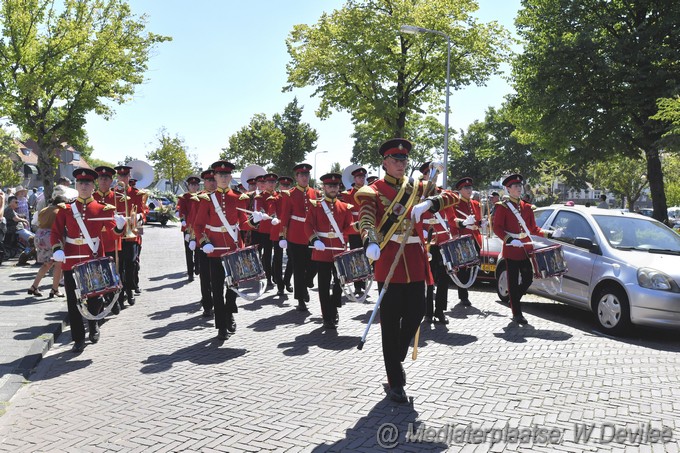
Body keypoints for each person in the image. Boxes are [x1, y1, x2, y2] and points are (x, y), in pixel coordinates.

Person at [355, 138, 458, 403]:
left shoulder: (419, 188)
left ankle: (396, 356)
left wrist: (430, 204)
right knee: (390, 324)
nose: (401, 165)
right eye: (395, 161)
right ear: (385, 163)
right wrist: (370, 241)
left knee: (417, 313)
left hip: (414, 259)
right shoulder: (372, 190)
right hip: (389, 259)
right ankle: (395, 381)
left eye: (404, 161)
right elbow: (365, 219)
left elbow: (451, 196)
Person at [51, 168, 126, 352]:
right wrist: (57, 249)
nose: (84, 186)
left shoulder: (101, 208)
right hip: (70, 260)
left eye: (87, 183)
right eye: (80, 183)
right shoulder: (66, 209)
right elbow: (55, 233)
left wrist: (120, 226)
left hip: (92, 259)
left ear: (93, 186)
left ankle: (93, 326)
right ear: (76, 185)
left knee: (94, 298)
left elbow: (113, 233)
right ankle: (78, 338)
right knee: (73, 300)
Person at [193, 160, 262, 340]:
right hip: (214, 249)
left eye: (226, 175)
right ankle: (221, 326)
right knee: (216, 288)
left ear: (231, 177)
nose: (223, 178)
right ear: (215, 177)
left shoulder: (238, 198)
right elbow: (198, 225)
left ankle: (229, 312)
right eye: (220, 175)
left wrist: (254, 220)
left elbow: (243, 223)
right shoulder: (207, 199)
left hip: (233, 248)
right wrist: (203, 241)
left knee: (233, 287)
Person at [492, 174, 558, 325]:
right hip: (511, 248)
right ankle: (517, 313)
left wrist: (550, 233)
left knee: (528, 279)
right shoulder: (502, 207)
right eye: (515, 186)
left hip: (525, 249)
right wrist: (509, 239)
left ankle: (513, 300)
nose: (519, 189)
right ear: (508, 189)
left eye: (520, 186)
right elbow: (497, 228)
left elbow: (533, 229)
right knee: (513, 282)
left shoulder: (527, 207)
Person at [305, 173, 356, 329]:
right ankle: (327, 316)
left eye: (335, 186)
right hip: (322, 250)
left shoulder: (344, 207)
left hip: (339, 251)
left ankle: (334, 306)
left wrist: (358, 227)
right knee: (323, 284)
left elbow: (348, 227)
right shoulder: (316, 205)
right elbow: (308, 225)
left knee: (339, 283)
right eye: (329, 186)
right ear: (324, 187)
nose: (333, 188)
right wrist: (315, 240)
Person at [278, 163, 317, 312]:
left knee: (314, 265)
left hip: (311, 236)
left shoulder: (315, 193)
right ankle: (300, 299)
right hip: (295, 236)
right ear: (297, 177)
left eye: (307, 175)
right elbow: (284, 216)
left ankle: (307, 282)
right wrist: (283, 236)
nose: (305, 178)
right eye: (302, 175)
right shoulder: (289, 194)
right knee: (299, 268)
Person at [449, 177, 485, 308]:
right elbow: (452, 222)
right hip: (463, 239)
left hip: (475, 239)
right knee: (463, 268)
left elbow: (478, 221)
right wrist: (463, 225)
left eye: (470, 188)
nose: (469, 190)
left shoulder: (476, 204)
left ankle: (466, 290)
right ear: (460, 190)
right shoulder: (455, 204)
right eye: (466, 188)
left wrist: (482, 223)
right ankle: (463, 295)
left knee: (473, 267)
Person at [114, 165, 146, 307]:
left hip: (132, 234)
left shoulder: (136, 193)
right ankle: (121, 295)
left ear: (129, 177)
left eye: (125, 176)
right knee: (119, 267)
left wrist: (140, 216)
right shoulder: (112, 193)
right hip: (118, 234)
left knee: (131, 264)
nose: (123, 178)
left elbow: (143, 212)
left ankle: (130, 289)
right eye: (120, 176)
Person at [28, 195, 68, 298]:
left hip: (39, 235)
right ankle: (55, 289)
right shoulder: (59, 211)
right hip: (51, 237)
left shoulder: (45, 209)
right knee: (59, 264)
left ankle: (34, 286)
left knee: (47, 264)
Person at [189, 169, 216, 317]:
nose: (212, 183)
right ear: (204, 182)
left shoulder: (221, 196)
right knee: (205, 275)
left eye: (214, 180)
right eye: (209, 180)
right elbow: (194, 220)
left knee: (218, 275)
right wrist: (193, 238)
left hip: (219, 240)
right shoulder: (199, 198)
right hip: (203, 240)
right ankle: (207, 303)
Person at [338, 166, 367, 297]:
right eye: (359, 177)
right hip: (355, 229)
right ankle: (357, 285)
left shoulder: (369, 192)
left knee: (367, 255)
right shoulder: (347, 194)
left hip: (367, 228)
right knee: (355, 257)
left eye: (363, 177)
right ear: (354, 179)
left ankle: (365, 281)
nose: (362, 179)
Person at [270, 176, 294, 295]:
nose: (285, 188)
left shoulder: (292, 197)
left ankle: (287, 280)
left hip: (291, 230)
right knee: (278, 258)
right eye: (283, 185)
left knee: (292, 257)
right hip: (278, 230)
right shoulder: (275, 198)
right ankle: (280, 285)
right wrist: (274, 217)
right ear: (279, 186)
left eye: (287, 186)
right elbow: (272, 210)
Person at [177, 176, 201, 282]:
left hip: (199, 226)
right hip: (188, 227)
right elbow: (181, 211)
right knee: (188, 251)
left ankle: (197, 265)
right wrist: (184, 223)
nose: (194, 187)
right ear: (188, 186)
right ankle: (190, 273)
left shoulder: (202, 196)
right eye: (192, 185)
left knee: (198, 249)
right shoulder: (184, 197)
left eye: (196, 185)